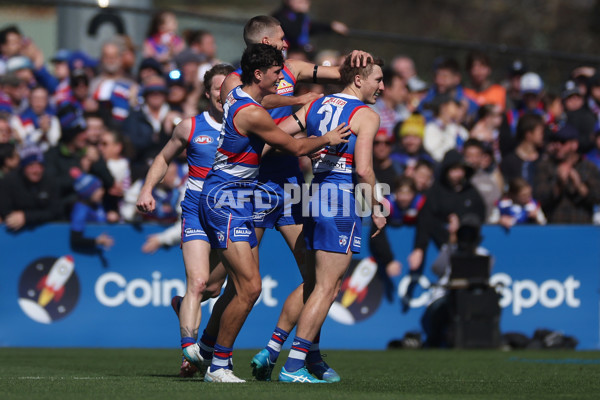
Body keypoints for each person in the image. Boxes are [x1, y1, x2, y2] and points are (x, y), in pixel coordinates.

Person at [218, 16, 371, 383]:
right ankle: (211, 351)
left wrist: (357, 60)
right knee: (231, 283)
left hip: (290, 186)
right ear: (267, 41)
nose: (287, 44)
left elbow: (341, 75)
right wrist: (298, 101)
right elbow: (260, 120)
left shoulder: (295, 68)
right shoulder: (236, 82)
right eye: (283, 39)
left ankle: (307, 356)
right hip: (250, 187)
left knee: (314, 277)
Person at [275, 53, 386, 383]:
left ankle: (287, 354)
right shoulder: (365, 115)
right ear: (358, 79)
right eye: (378, 79)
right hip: (340, 199)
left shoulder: (315, 105)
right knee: (327, 287)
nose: (382, 86)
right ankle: (294, 366)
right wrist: (378, 206)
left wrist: (312, 146)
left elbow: (278, 135)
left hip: (313, 195)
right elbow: (363, 169)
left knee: (315, 284)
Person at [136, 64, 234, 378]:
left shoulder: (248, 125)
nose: (223, 94)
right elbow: (163, 157)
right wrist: (148, 188)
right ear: (207, 93)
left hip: (231, 213)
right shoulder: (191, 126)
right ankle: (189, 352)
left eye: (229, 88)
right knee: (199, 282)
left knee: (215, 288)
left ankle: (183, 307)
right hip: (195, 211)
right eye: (218, 88)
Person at [408, 150, 486, 272]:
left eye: (460, 169)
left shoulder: (471, 191)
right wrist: (419, 248)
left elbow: (480, 214)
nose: (457, 174)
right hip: (442, 245)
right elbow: (425, 219)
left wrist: (461, 222)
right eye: (453, 170)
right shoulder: (436, 192)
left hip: (469, 246)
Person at [421, 213, 491, 348]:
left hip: (472, 297)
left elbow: (484, 277)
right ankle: (435, 341)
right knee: (436, 309)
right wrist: (450, 243)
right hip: (446, 295)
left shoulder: (483, 254)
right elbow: (436, 269)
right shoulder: (449, 250)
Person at [534, 125, 600, 223]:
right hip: (554, 228)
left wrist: (579, 185)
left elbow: (597, 198)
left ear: (574, 145)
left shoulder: (589, 167)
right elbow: (540, 197)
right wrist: (559, 185)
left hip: (582, 229)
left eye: (562, 142)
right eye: (555, 142)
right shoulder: (545, 166)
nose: (557, 146)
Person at [0, 145, 61, 231]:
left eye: (40, 165)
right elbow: (5, 211)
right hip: (14, 232)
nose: (37, 170)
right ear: (24, 167)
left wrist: (26, 217)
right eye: (31, 166)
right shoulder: (9, 181)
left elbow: (55, 211)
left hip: (45, 231)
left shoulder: (50, 181)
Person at [271, 0, 349, 53]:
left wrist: (331, 26)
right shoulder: (279, 16)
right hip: (289, 53)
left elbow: (312, 27)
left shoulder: (299, 17)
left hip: (304, 52)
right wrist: (301, 13)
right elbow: (294, 33)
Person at [69, 168, 114, 252]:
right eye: (98, 189)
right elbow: (75, 239)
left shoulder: (97, 204)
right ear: (88, 193)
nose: (102, 191)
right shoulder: (80, 209)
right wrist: (96, 241)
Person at [500, 113, 545, 186]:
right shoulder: (509, 162)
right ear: (528, 134)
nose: (543, 135)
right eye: (541, 132)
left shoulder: (544, 158)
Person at [423, 94, 469, 163]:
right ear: (444, 107)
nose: (458, 109)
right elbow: (435, 152)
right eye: (455, 105)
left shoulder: (459, 129)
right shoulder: (430, 128)